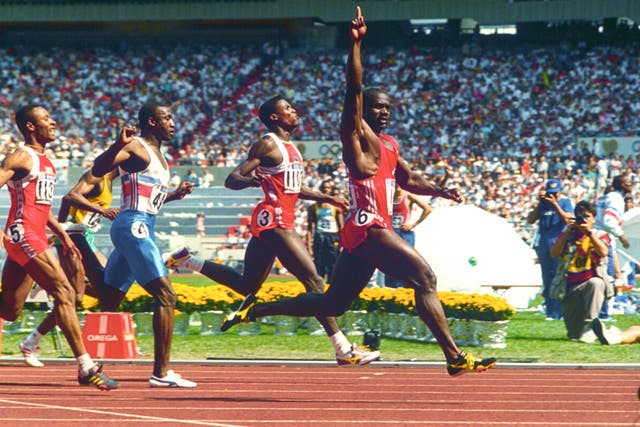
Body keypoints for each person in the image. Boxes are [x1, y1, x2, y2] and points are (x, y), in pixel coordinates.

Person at [219, 6, 496, 377]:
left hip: (364, 232)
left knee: (334, 301)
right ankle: (454, 357)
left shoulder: (390, 144)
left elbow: (410, 180)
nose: (383, 113)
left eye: (387, 108)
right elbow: (354, 88)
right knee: (425, 279)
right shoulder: (354, 138)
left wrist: (443, 190)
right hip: (370, 226)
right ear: (364, 111)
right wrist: (356, 45)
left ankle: (256, 309)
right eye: (377, 107)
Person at [164, 94, 380, 366]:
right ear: (275, 117)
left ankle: (187, 261)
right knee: (314, 281)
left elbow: (293, 187)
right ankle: (343, 348)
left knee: (247, 285)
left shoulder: (292, 148)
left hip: (277, 219)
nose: (294, 111)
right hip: (275, 219)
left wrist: (326, 198)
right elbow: (233, 179)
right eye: (287, 108)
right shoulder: (268, 144)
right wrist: (249, 180)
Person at [0, 104, 119, 389]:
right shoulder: (21, 156)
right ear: (31, 126)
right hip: (24, 235)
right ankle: (85, 367)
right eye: (46, 119)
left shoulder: (47, 161)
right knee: (65, 292)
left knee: (10, 310)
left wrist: (62, 234)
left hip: (36, 234)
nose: (53, 123)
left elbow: (42, 207)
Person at [91, 102, 196, 388]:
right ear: (151, 122)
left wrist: (174, 195)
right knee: (166, 295)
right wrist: (116, 145)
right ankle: (161, 373)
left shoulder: (160, 156)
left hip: (141, 223)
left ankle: (89, 366)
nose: (173, 122)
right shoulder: (136, 146)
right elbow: (99, 168)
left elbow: (152, 201)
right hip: (132, 224)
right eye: (167, 118)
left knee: (109, 299)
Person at [19, 167, 120, 367]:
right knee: (75, 297)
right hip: (74, 235)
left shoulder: (111, 182)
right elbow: (68, 198)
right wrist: (62, 231)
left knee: (108, 290)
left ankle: (52, 283)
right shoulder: (98, 177)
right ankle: (30, 342)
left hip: (87, 237)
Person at [550, 201, 610, 341]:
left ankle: (590, 325)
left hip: (589, 282)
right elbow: (553, 253)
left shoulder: (600, 235)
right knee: (574, 335)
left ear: (594, 219)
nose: (583, 219)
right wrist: (567, 232)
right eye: (580, 217)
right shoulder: (569, 234)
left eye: (587, 216)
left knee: (596, 283)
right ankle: (593, 331)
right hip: (569, 287)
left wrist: (589, 233)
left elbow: (603, 252)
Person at [527, 178, 574, 320]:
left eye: (555, 193)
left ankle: (559, 311)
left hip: (558, 241)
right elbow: (530, 220)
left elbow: (568, 219)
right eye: (550, 193)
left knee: (559, 276)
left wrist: (555, 205)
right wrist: (539, 203)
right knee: (547, 277)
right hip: (544, 242)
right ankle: (550, 310)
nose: (552, 195)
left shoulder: (565, 202)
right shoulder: (543, 204)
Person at [595, 174, 632, 319]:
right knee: (606, 275)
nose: (631, 184)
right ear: (622, 185)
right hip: (603, 238)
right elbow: (608, 220)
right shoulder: (616, 198)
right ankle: (603, 313)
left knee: (599, 274)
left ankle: (597, 311)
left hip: (596, 236)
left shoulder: (607, 196)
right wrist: (621, 235)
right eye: (628, 182)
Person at [385, 187, 432, 288]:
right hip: (391, 233)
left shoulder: (408, 196)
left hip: (404, 233)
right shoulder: (388, 197)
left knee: (407, 261)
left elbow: (427, 209)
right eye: (394, 185)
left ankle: (409, 286)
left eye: (398, 185)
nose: (396, 187)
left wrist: (413, 224)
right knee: (390, 261)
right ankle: (391, 287)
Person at [307, 180, 343, 283]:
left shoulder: (336, 207)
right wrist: (309, 245)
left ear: (331, 190)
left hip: (332, 236)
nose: (325, 189)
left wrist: (343, 243)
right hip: (320, 236)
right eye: (323, 187)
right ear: (320, 189)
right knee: (319, 263)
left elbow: (341, 226)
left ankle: (331, 287)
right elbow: (310, 227)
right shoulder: (313, 208)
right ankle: (320, 288)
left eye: (327, 188)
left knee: (333, 263)